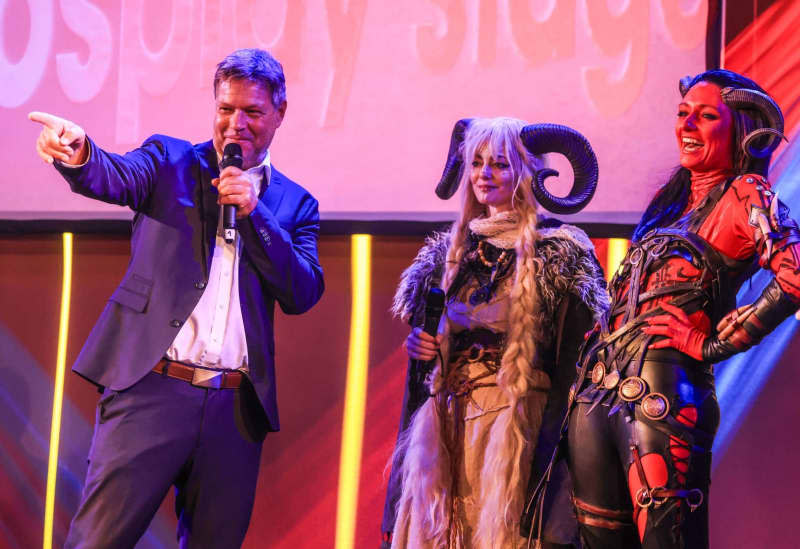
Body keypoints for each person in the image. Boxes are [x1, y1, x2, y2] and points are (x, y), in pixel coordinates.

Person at [29, 48, 324, 547]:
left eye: (252, 112)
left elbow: (302, 291)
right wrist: (81, 153)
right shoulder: (170, 161)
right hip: (152, 389)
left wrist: (256, 215)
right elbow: (115, 176)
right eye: (226, 109)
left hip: (234, 408)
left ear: (279, 113)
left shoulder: (295, 204)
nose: (236, 125)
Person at [566, 69, 800, 548]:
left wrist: (713, 344)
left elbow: (795, 276)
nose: (687, 126)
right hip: (596, 395)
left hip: (663, 396)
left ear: (741, 129)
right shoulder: (669, 204)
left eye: (706, 116)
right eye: (682, 114)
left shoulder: (745, 194)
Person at [382, 117, 608, 548]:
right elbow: (421, 379)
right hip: (448, 428)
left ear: (527, 172)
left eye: (500, 164)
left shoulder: (561, 252)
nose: (485, 174)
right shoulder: (445, 257)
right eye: (477, 163)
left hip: (517, 430)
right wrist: (423, 351)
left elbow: (576, 367)